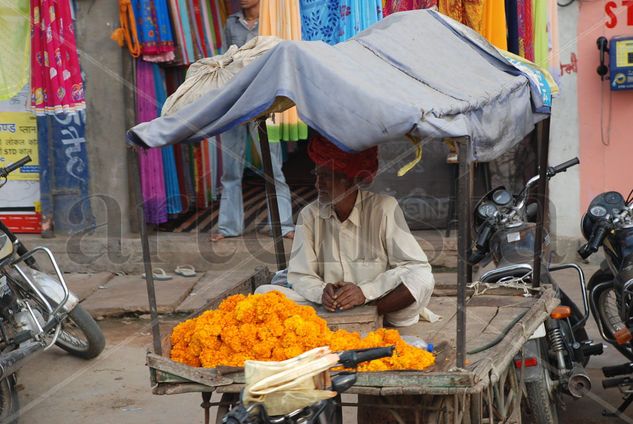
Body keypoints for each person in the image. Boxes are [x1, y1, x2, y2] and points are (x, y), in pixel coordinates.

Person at [256, 133, 435, 327]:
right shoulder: (309, 215)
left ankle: (366, 316)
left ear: (350, 181)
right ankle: (346, 319)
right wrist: (322, 291)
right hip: (328, 306)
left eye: (326, 177)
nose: (318, 185)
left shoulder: (384, 208)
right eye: (317, 176)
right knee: (264, 294)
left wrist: (365, 293)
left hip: (379, 303)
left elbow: (416, 267)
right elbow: (300, 275)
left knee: (421, 280)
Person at [211, 0, 294, 241]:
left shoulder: (272, 22)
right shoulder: (231, 23)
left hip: (264, 100)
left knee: (273, 166)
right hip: (234, 100)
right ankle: (228, 227)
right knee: (230, 168)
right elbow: (226, 59)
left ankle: (282, 225)